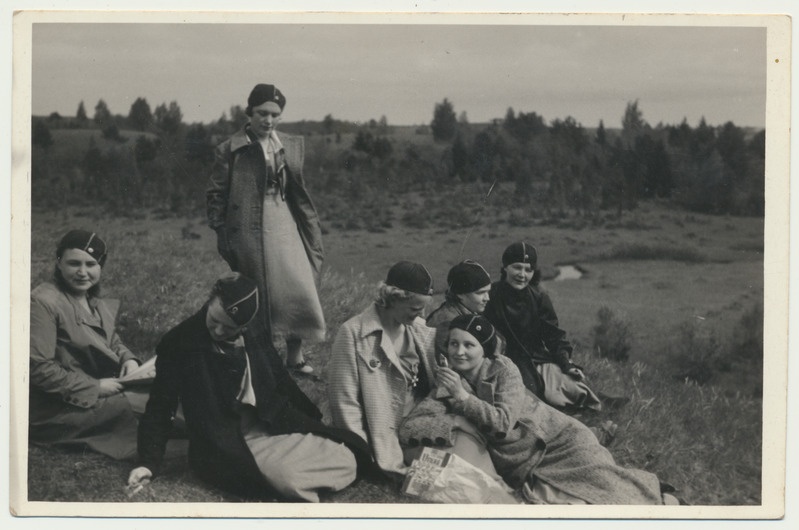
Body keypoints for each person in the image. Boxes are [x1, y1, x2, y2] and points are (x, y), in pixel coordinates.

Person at [128, 272, 370, 501]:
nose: (219, 331)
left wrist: (312, 422)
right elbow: (160, 407)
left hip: (268, 424)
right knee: (288, 478)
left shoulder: (254, 330)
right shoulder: (179, 342)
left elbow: (280, 379)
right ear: (208, 303)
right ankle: (301, 475)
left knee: (347, 451)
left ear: (245, 326)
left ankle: (309, 467)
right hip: (224, 441)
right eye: (214, 321)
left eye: (230, 328)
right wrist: (147, 463)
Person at [420, 314, 678, 505]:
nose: (459, 352)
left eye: (468, 345)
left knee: (603, 489)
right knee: (563, 501)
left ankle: (664, 499)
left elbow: (503, 423)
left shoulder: (503, 369)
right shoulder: (449, 382)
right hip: (528, 460)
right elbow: (413, 424)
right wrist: (454, 421)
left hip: (560, 438)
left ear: (484, 350)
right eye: (454, 344)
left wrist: (462, 398)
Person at [207, 83, 324, 374]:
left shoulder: (289, 144)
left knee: (299, 285)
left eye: (275, 114)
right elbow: (216, 195)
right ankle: (263, 358)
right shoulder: (231, 149)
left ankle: (295, 356)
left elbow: (297, 188)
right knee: (261, 292)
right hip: (249, 229)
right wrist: (223, 232)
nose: (268, 120)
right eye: (262, 113)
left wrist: (309, 226)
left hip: (285, 220)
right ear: (250, 112)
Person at [29, 229, 146, 460]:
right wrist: (95, 388)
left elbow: (111, 339)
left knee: (163, 399)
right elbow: (38, 368)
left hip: (97, 388)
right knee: (152, 413)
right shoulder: (43, 302)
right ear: (59, 263)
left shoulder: (92, 298)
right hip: (56, 407)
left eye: (91, 264)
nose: (83, 272)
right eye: (74, 264)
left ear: (100, 266)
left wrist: (129, 359)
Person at [483, 241, 602, 412]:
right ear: (505, 267)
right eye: (517, 267)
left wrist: (566, 363)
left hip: (537, 360)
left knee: (575, 391)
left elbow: (554, 336)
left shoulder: (539, 298)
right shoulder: (490, 296)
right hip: (504, 362)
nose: (522, 275)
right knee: (530, 402)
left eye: (528, 270)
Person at [426, 259, 503, 359]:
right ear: (460, 294)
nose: (487, 298)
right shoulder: (447, 322)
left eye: (488, 291)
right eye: (480, 293)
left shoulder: (471, 311)